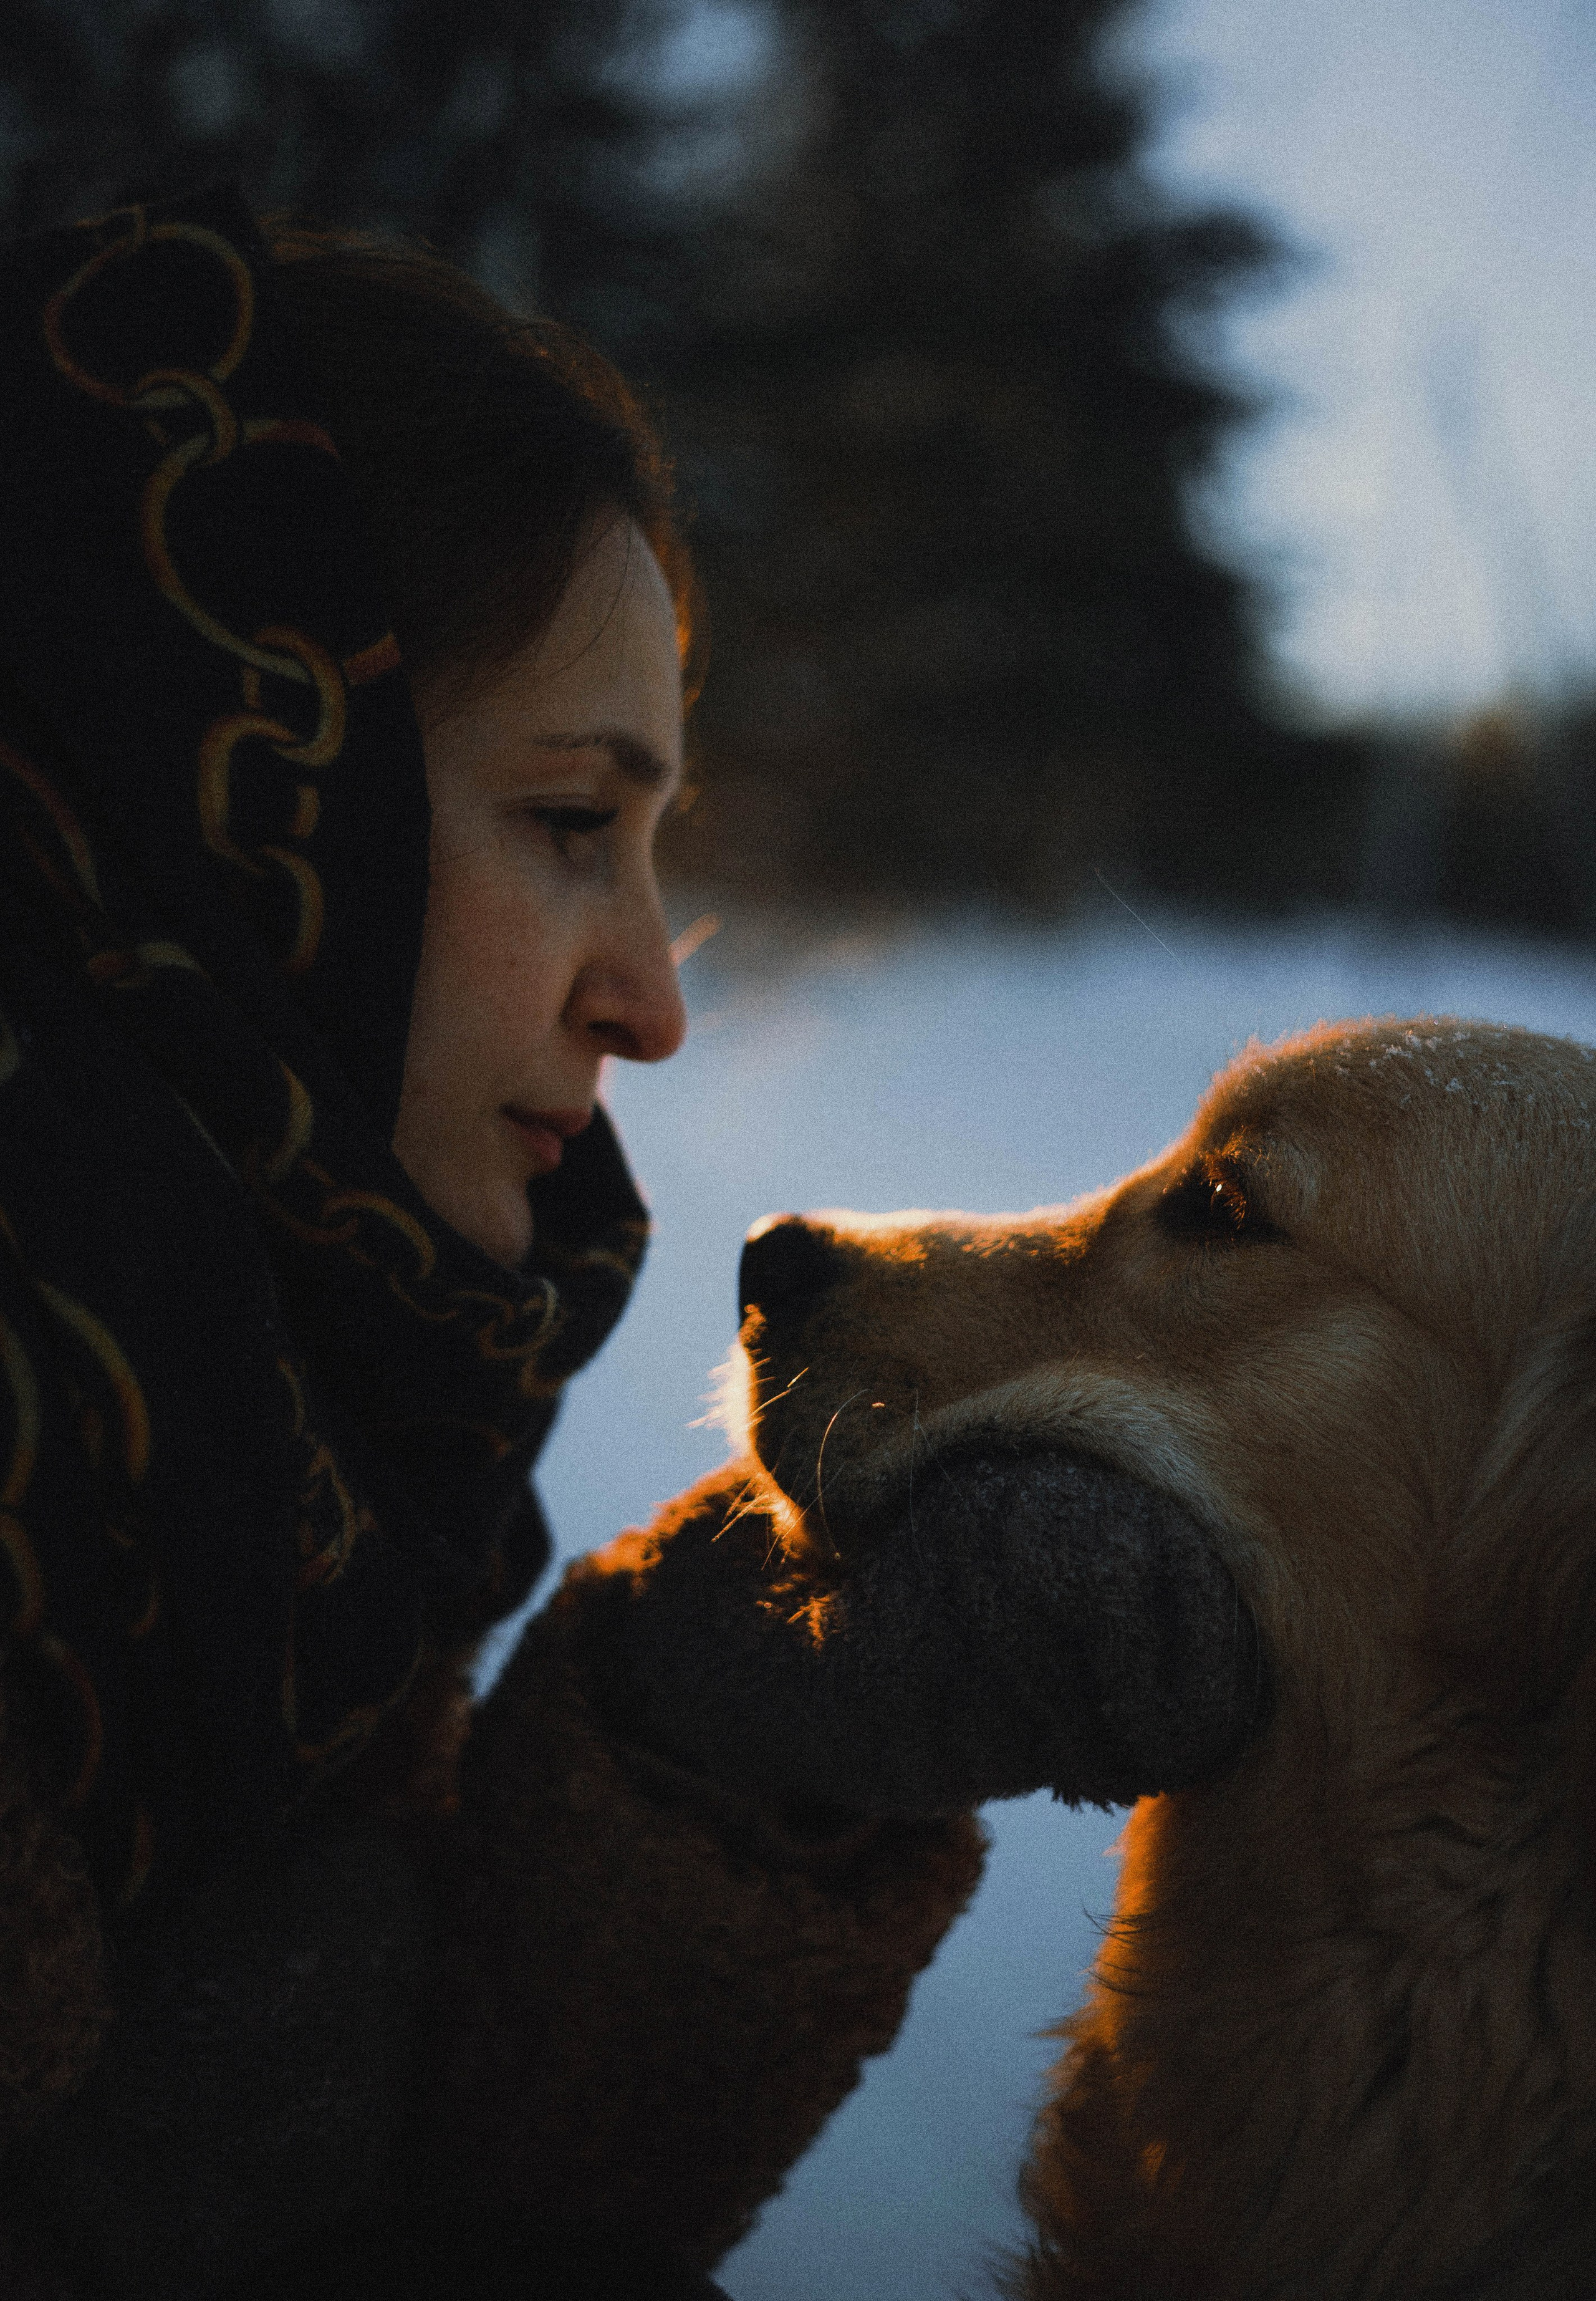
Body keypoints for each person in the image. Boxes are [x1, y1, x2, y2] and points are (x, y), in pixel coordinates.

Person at [0, 191, 984, 2299]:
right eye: (567, 821)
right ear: (217, 786)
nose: (656, 993)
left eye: (661, 848)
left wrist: (727, 1748)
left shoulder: (307, 1440)